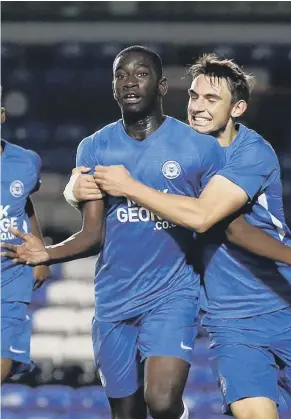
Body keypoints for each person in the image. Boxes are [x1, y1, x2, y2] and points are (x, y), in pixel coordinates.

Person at [1, 49, 291, 419]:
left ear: (237, 109)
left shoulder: (235, 153)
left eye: (212, 99)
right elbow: (95, 231)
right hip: (206, 317)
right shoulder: (115, 146)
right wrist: (70, 203)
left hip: (262, 305)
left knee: (170, 401)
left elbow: (213, 221)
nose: (199, 106)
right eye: (195, 96)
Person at [0, 45, 228, 419]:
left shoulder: (199, 148)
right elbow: (93, 235)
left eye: (140, 73)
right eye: (121, 75)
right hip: (114, 301)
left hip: (172, 295)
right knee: (127, 414)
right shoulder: (94, 147)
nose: (129, 82)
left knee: (162, 400)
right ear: (112, 88)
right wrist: (46, 253)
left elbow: (216, 222)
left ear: (162, 85)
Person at [1, 100, 50, 383]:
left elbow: (24, 203)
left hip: (11, 273)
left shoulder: (26, 161)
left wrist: (40, 251)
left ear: (2, 116)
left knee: (4, 363)